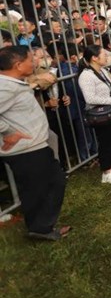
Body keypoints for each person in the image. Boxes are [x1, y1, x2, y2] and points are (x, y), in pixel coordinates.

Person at [0, 46, 69, 241]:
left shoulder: (12, 81)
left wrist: (36, 80)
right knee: (48, 184)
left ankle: (41, 226)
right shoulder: (4, 86)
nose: (35, 63)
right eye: (31, 60)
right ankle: (41, 228)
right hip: (25, 149)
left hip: (33, 146)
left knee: (43, 186)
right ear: (18, 64)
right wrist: (9, 132)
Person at [77, 45, 111, 184]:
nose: (107, 57)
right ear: (94, 58)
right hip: (101, 113)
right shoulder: (86, 76)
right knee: (105, 141)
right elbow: (90, 98)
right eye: (104, 54)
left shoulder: (103, 71)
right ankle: (106, 171)